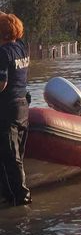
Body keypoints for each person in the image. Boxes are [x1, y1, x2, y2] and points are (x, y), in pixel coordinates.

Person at [0, 12, 31, 206]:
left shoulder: (3, 53)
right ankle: (10, 196)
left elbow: (1, 83)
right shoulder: (22, 47)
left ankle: (21, 198)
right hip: (22, 108)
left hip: (7, 110)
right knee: (16, 156)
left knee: (10, 158)